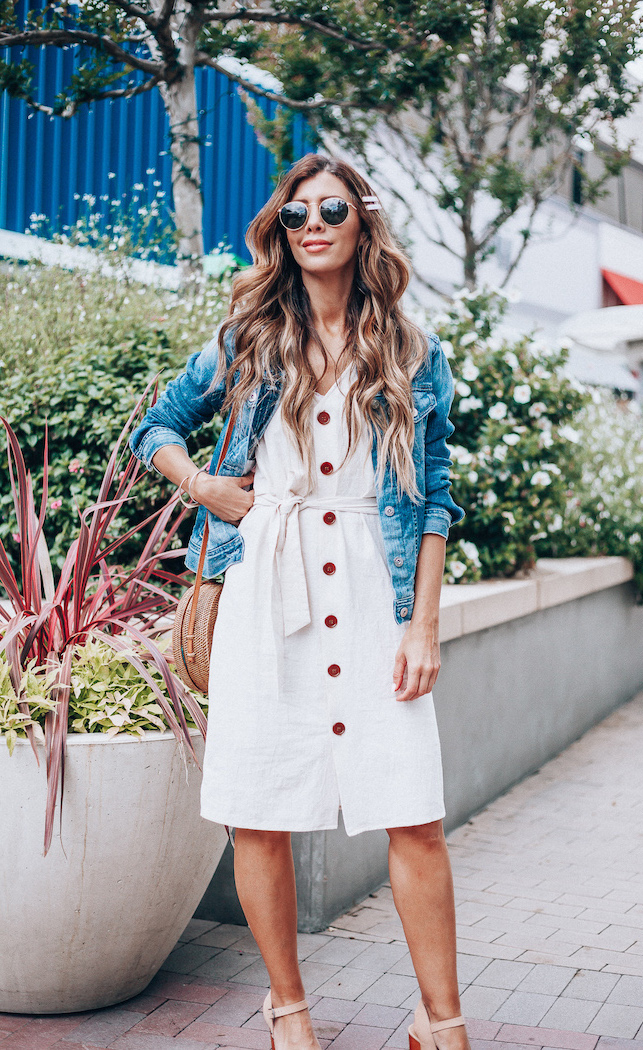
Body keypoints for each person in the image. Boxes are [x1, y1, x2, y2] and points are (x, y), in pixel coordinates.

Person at [129, 153, 469, 1050]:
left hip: (370, 591)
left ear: (362, 222)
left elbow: (435, 492)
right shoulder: (249, 335)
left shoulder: (409, 348)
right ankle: (289, 1013)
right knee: (262, 809)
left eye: (330, 210)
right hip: (264, 585)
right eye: (294, 215)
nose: (311, 225)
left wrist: (422, 621)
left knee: (414, 814)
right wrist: (203, 486)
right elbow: (154, 426)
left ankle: (442, 1023)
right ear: (281, 230)